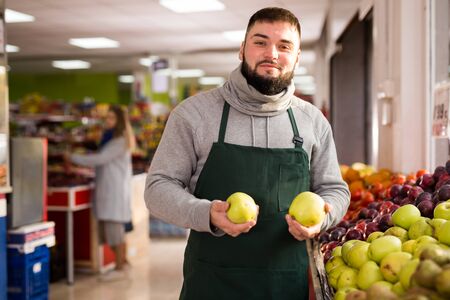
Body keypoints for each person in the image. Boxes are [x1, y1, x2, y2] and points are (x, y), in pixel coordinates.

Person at [144, 7, 350, 300]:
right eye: (260, 42)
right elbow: (157, 188)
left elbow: (334, 190)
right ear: (242, 49)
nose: (272, 54)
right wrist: (207, 214)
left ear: (297, 56)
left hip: (286, 283)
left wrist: (323, 220)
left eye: (284, 46)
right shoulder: (194, 114)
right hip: (212, 281)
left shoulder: (312, 121)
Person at [67, 105, 135, 281]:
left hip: (114, 191)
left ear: (119, 121)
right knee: (114, 231)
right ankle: (123, 264)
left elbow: (100, 159)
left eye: (112, 118)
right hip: (110, 189)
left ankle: (120, 268)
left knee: (114, 232)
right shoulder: (112, 139)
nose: (108, 121)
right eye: (107, 117)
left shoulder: (119, 141)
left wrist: (73, 157)